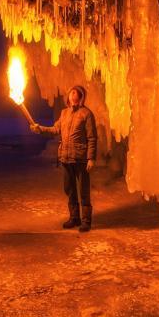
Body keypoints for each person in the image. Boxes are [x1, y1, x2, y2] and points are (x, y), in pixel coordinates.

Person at [30, 85, 97, 232]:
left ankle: (86, 221)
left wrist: (91, 158)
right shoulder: (64, 113)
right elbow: (55, 129)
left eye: (76, 93)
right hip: (65, 158)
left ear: (81, 97)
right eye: (71, 92)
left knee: (83, 190)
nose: (73, 95)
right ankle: (74, 218)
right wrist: (40, 129)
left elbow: (92, 138)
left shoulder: (86, 114)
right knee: (69, 189)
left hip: (80, 158)